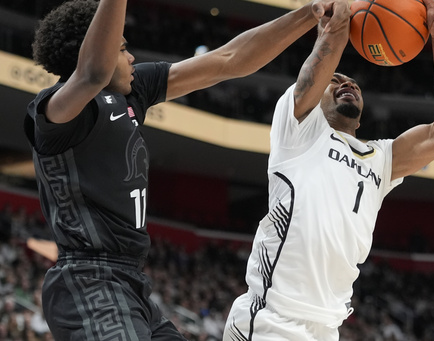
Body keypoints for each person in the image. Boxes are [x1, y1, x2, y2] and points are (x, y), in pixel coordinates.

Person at [23, 0, 344, 340]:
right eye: (122, 48)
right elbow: (92, 74)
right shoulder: (54, 112)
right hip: (87, 282)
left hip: (130, 282)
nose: (131, 57)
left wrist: (311, 14)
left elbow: (229, 60)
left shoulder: (131, 94)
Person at [223, 0, 434, 340]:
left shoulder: (380, 158)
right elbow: (321, 65)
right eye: (335, 81)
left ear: (363, 116)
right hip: (271, 319)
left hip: (327, 327)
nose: (346, 83)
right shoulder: (299, 129)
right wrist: (343, 14)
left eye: (354, 85)